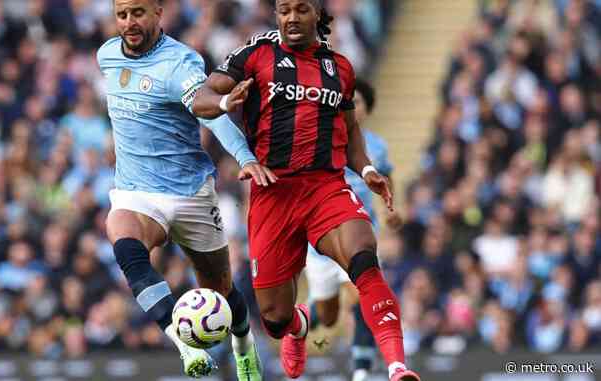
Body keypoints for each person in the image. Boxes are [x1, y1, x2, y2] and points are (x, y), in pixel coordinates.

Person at [192, 0, 421, 380]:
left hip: (324, 188)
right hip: (272, 193)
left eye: (301, 9)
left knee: (364, 255)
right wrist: (223, 101)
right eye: (284, 10)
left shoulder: (339, 67)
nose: (291, 18)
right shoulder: (256, 52)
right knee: (274, 318)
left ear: (318, 14)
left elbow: (349, 132)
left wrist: (365, 169)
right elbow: (200, 98)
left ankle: (398, 367)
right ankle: (298, 325)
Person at [96, 0, 273, 379]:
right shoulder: (107, 55)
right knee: (125, 242)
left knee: (220, 293)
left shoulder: (181, 62)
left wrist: (243, 152)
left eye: (138, 13)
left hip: (190, 193)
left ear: (159, 12)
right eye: (122, 14)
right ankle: (184, 345)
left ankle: (243, 347)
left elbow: (205, 106)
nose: (130, 22)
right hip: (136, 191)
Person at [304, 78, 402, 381]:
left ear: (367, 109)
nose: (352, 106)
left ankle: (362, 370)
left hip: (360, 238)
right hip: (323, 242)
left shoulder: (377, 145)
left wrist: (390, 209)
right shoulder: (322, 139)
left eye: (358, 102)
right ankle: (306, 317)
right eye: (348, 101)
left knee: (365, 296)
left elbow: (386, 176)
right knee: (329, 315)